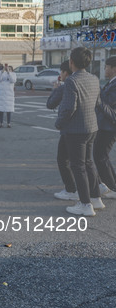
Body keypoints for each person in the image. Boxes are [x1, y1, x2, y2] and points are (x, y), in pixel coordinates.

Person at [56, 47, 104, 216]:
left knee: (78, 166)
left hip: (76, 129)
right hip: (92, 127)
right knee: (88, 163)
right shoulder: (94, 78)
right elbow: (98, 102)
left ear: (72, 62)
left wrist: (59, 123)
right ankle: (96, 198)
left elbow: (69, 107)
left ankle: (85, 204)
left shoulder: (71, 81)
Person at [48, 61, 78, 201]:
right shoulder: (91, 80)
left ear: (66, 72)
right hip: (88, 128)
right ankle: (93, 191)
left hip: (69, 129)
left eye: (61, 72)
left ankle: (71, 189)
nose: (60, 75)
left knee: (63, 159)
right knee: (84, 162)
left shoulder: (66, 86)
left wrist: (55, 89)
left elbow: (50, 104)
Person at [93, 56, 116, 199]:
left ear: (114, 69)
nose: (105, 69)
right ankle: (112, 184)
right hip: (105, 125)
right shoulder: (111, 83)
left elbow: (107, 102)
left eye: (106, 67)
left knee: (99, 155)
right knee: (102, 156)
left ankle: (111, 187)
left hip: (109, 126)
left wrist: (97, 95)